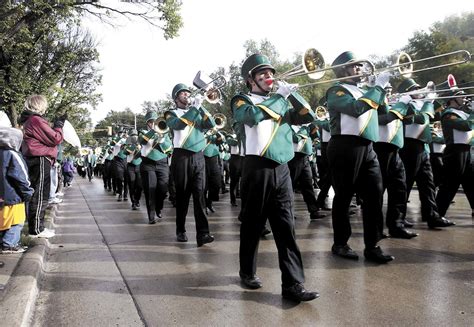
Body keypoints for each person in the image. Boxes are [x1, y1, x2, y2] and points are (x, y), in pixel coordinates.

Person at [232, 53, 318, 302]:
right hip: (256, 168)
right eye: (263, 74)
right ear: (251, 79)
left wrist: (292, 94)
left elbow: (307, 116)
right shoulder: (242, 100)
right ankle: (247, 271)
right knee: (252, 225)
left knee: (286, 227)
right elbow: (251, 117)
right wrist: (281, 97)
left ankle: (293, 284)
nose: (269, 78)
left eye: (271, 74)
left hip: (282, 169)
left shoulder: (281, 101)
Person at [325, 51, 394, 263]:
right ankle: (340, 243)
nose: (359, 69)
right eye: (353, 66)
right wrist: (376, 89)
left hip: (368, 146)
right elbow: (355, 109)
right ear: (342, 70)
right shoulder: (336, 90)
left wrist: (380, 90)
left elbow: (383, 114)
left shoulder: (365, 91)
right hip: (345, 145)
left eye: (358, 66)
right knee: (344, 196)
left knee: (375, 194)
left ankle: (372, 245)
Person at [397, 78, 455, 228]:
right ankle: (398, 217)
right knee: (406, 183)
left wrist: (448, 92)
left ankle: (432, 215)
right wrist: (429, 101)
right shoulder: (405, 105)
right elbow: (422, 119)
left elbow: (438, 110)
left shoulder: (423, 104)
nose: (421, 91)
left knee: (428, 184)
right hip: (409, 147)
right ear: (407, 92)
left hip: (423, 147)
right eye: (415, 89)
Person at [166, 83, 215, 247]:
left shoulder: (196, 111)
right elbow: (178, 125)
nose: (187, 95)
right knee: (182, 197)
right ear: (176, 98)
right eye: (183, 93)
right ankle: (181, 230)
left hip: (199, 156)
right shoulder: (171, 113)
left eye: (188, 92)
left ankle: (203, 234)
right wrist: (195, 109)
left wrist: (201, 107)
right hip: (181, 157)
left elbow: (211, 124)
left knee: (200, 195)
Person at [374, 90, 418, 239]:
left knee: (399, 189)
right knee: (377, 192)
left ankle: (397, 225)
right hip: (380, 148)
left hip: (395, 149)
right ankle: (376, 229)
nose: (390, 88)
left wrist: (410, 101)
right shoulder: (374, 98)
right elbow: (384, 119)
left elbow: (410, 120)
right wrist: (401, 103)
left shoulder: (394, 102)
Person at [20, 94, 64, 238]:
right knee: (40, 194)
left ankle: (36, 226)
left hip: (35, 157)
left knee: (37, 193)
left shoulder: (29, 120)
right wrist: (58, 127)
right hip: (40, 158)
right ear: (40, 105)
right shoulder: (36, 120)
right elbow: (55, 138)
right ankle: (37, 229)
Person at [435, 88, 474, 218]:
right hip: (455, 152)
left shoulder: (463, 113)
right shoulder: (448, 114)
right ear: (452, 99)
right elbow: (466, 126)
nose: (464, 98)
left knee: (471, 183)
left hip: (467, 151)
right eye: (461, 96)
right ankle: (436, 214)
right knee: (449, 184)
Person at [0, 126, 34, 253]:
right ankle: (9, 244)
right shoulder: (13, 154)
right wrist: (28, 191)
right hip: (12, 196)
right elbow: (21, 176)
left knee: (2, 221)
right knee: (16, 221)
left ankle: (2, 242)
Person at [288, 122, 326, 220]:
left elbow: (315, 137)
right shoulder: (290, 125)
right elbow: (296, 138)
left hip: (305, 157)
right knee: (289, 186)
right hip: (294, 157)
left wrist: (312, 128)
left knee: (308, 185)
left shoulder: (306, 126)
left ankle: (314, 210)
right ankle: (288, 212)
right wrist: (305, 130)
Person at [139, 112, 172, 224]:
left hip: (162, 163)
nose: (153, 123)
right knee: (150, 189)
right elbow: (142, 141)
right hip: (148, 164)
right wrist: (153, 131)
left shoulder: (165, 133)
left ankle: (159, 207)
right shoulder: (143, 132)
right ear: (147, 123)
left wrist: (162, 140)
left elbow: (169, 148)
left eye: (154, 121)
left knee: (163, 189)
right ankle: (151, 215)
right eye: (150, 121)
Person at [124, 129, 143, 211]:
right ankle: (133, 202)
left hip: (139, 165)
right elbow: (125, 152)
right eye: (132, 135)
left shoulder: (141, 142)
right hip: (130, 166)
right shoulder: (127, 142)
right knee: (132, 184)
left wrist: (140, 147)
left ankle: (137, 199)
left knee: (139, 185)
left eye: (135, 135)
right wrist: (133, 146)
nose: (134, 137)